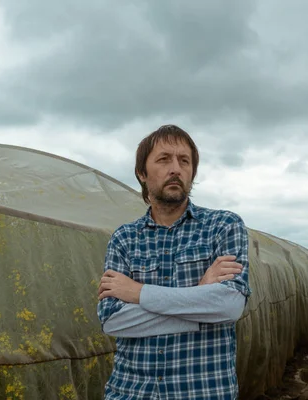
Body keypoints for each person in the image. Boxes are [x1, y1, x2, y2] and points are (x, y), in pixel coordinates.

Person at [96, 125, 251, 399]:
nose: (176, 168)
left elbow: (229, 306)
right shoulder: (124, 238)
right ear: (142, 174)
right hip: (131, 390)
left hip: (203, 390)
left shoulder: (224, 225)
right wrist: (200, 296)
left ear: (192, 172)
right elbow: (113, 322)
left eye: (184, 160)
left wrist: (138, 293)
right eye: (164, 159)